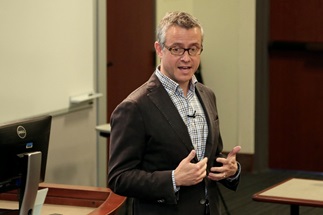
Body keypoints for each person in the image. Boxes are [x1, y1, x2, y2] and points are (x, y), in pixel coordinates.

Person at [108, 11, 241, 215]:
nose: (186, 58)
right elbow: (119, 178)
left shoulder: (207, 95)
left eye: (193, 49)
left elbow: (210, 157)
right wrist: (173, 179)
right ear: (159, 49)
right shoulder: (135, 107)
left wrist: (230, 170)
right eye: (177, 49)